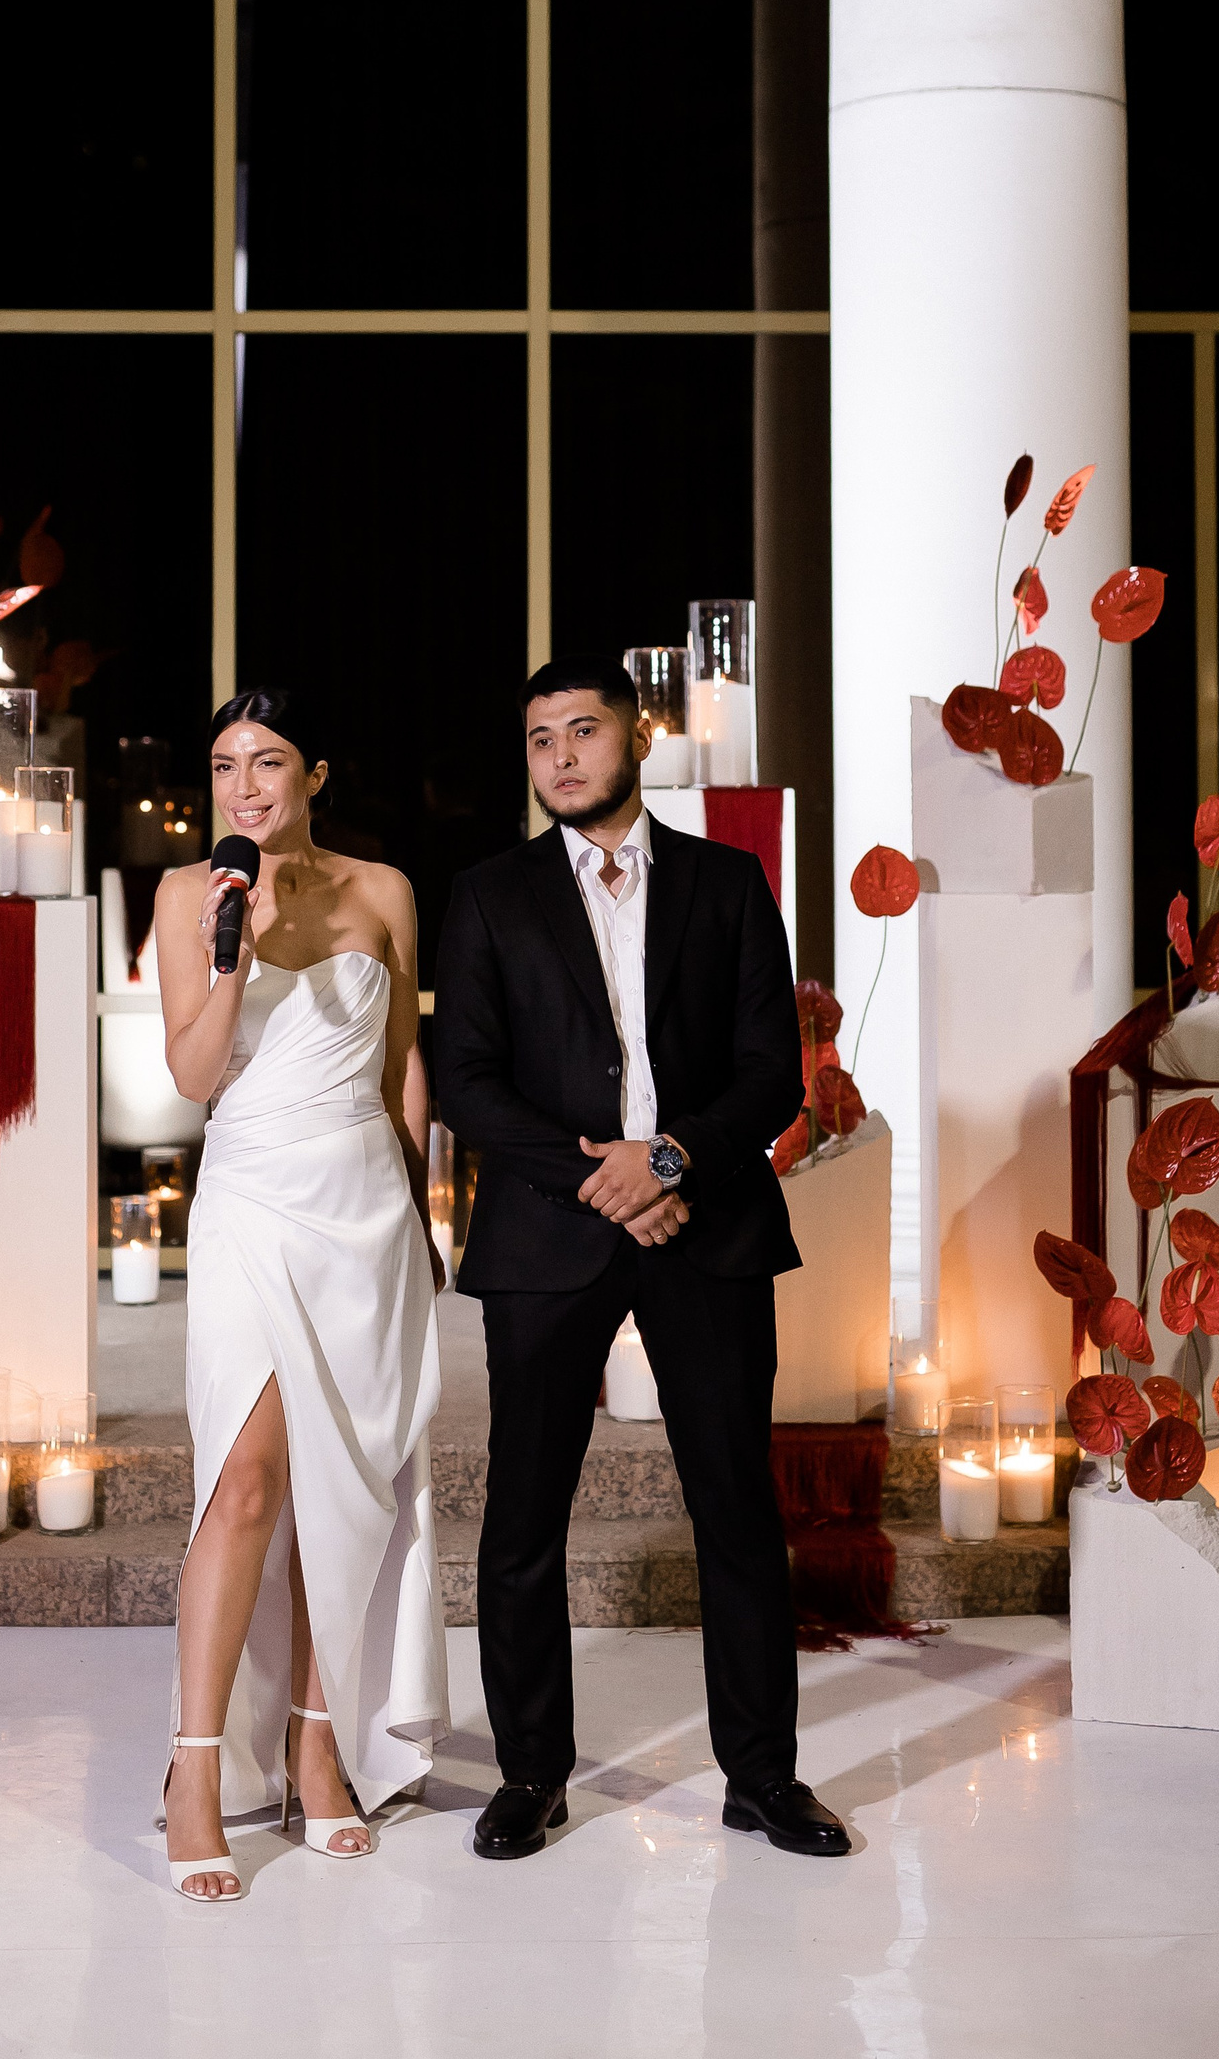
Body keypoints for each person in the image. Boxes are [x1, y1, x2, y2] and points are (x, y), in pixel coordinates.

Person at [436, 656, 851, 1863]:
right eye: (540, 739)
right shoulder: (489, 895)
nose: (561, 756)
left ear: (638, 738)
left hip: (704, 1223)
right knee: (523, 1517)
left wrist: (668, 1163)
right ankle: (530, 1774)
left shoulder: (728, 882)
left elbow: (771, 1073)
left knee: (736, 1507)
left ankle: (763, 1777)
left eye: (584, 730)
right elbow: (467, 1082)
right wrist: (602, 1180)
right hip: (547, 1233)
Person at [151, 687, 449, 1900]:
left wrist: (421, 1222)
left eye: (267, 762)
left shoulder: (384, 891)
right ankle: (195, 1769)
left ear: (313, 775)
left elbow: (400, 1069)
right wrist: (230, 950)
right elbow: (192, 1074)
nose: (245, 787)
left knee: (349, 1486)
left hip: (365, 1212)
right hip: (251, 1206)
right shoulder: (190, 894)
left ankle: (318, 1746)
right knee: (246, 1483)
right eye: (225, 766)